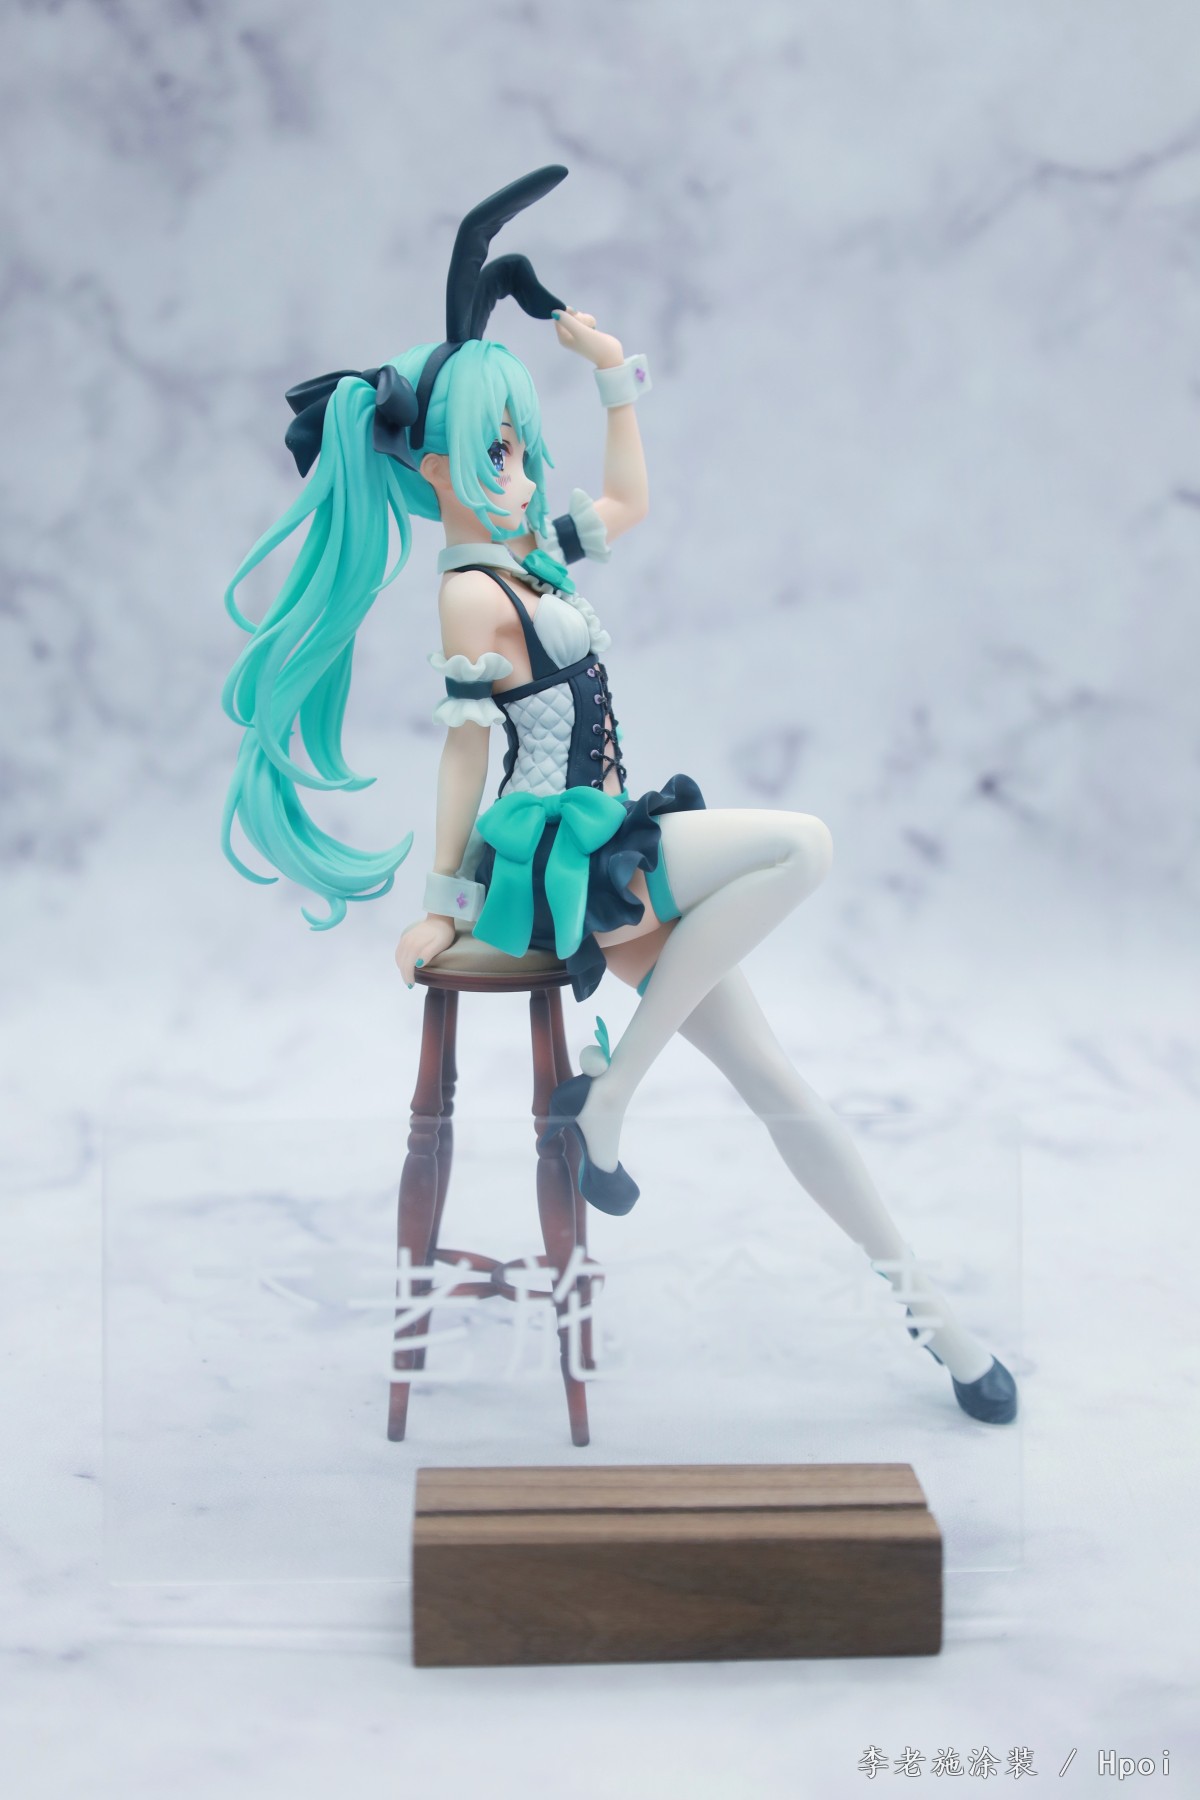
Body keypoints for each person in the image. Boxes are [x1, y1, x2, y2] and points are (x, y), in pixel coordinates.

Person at [222, 167, 1017, 1425]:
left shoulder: (530, 559)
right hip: (559, 862)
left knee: (781, 1087)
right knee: (800, 846)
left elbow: (632, 502)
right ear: (433, 465)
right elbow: (464, 757)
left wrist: (609, 376)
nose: (521, 471)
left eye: (522, 447)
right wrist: (440, 903)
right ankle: (612, 1100)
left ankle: (943, 1327)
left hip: (616, 843)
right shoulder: (471, 595)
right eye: (495, 451)